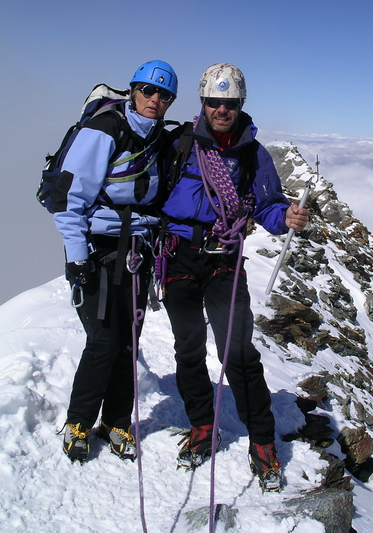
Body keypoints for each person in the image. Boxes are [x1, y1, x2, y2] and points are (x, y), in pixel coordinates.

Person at [159, 63, 309, 492]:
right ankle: (203, 425)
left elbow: (268, 206)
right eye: (214, 102)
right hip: (180, 257)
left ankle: (261, 439)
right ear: (202, 103)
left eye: (230, 103)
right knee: (188, 349)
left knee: (238, 352)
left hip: (224, 257)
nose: (221, 109)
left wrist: (287, 217)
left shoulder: (252, 153)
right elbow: (149, 193)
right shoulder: (180, 144)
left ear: (241, 105)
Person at [53, 59, 178, 463]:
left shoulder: (160, 138)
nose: (154, 100)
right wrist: (77, 257)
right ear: (132, 91)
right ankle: (79, 421)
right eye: (147, 91)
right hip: (98, 248)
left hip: (137, 251)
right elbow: (68, 199)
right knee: (104, 340)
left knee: (128, 341)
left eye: (164, 95)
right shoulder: (105, 130)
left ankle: (118, 420)